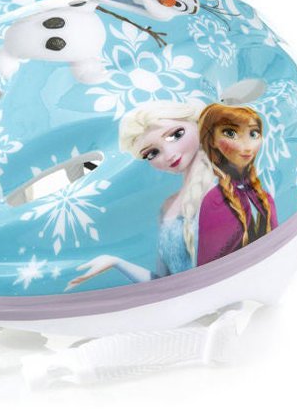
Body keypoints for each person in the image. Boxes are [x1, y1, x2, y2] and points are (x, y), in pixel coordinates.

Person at [66, 100, 214, 291]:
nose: (169, 154)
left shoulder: (223, 190)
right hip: (185, 302)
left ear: (197, 123)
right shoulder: (168, 208)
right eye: (152, 153)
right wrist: (116, 262)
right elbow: (163, 282)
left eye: (176, 135)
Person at [197, 103, 278, 266]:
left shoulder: (263, 197)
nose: (247, 146)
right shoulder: (214, 202)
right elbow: (208, 267)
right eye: (230, 133)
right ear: (212, 140)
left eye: (253, 134)